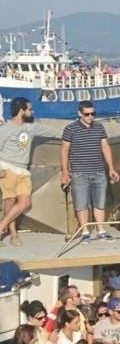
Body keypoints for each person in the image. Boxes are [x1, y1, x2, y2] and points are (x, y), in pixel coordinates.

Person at [59, 101, 120, 242]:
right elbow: (64, 151)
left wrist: (111, 168)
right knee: (81, 204)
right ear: (79, 114)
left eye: (93, 114)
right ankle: (85, 232)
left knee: (99, 203)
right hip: (79, 173)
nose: (90, 117)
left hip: (99, 171)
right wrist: (65, 172)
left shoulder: (99, 128)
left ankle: (101, 231)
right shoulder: (70, 129)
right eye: (87, 114)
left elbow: (105, 147)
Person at [0, 98, 49, 246]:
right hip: (7, 169)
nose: (32, 112)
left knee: (24, 202)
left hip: (23, 171)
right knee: (10, 203)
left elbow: (54, 132)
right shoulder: (5, 129)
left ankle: (1, 228)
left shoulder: (31, 128)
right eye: (30, 109)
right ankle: (13, 235)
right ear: (22, 111)